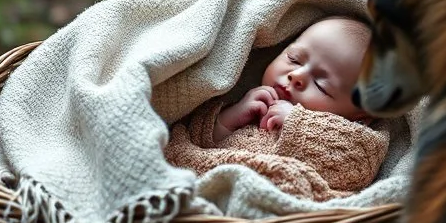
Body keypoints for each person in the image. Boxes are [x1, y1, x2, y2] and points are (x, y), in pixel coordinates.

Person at [165, 16, 389, 202]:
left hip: (273, 204)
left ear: (361, 117)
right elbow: (197, 143)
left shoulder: (357, 140)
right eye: (294, 59)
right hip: (203, 184)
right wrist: (226, 121)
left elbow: (352, 167)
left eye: (322, 85)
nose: (296, 76)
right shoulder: (254, 108)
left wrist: (297, 121)